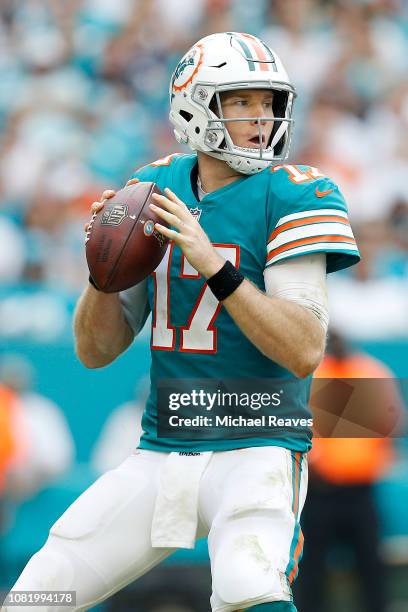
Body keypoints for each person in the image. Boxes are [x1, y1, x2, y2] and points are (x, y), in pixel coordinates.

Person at [3, 32, 360, 612]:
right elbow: (95, 352)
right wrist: (101, 272)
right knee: (41, 592)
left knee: (250, 586)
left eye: (268, 102)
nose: (260, 118)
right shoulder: (152, 190)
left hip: (258, 445)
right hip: (162, 448)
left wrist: (212, 262)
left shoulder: (296, 194)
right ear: (195, 108)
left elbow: (302, 348)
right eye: (240, 101)